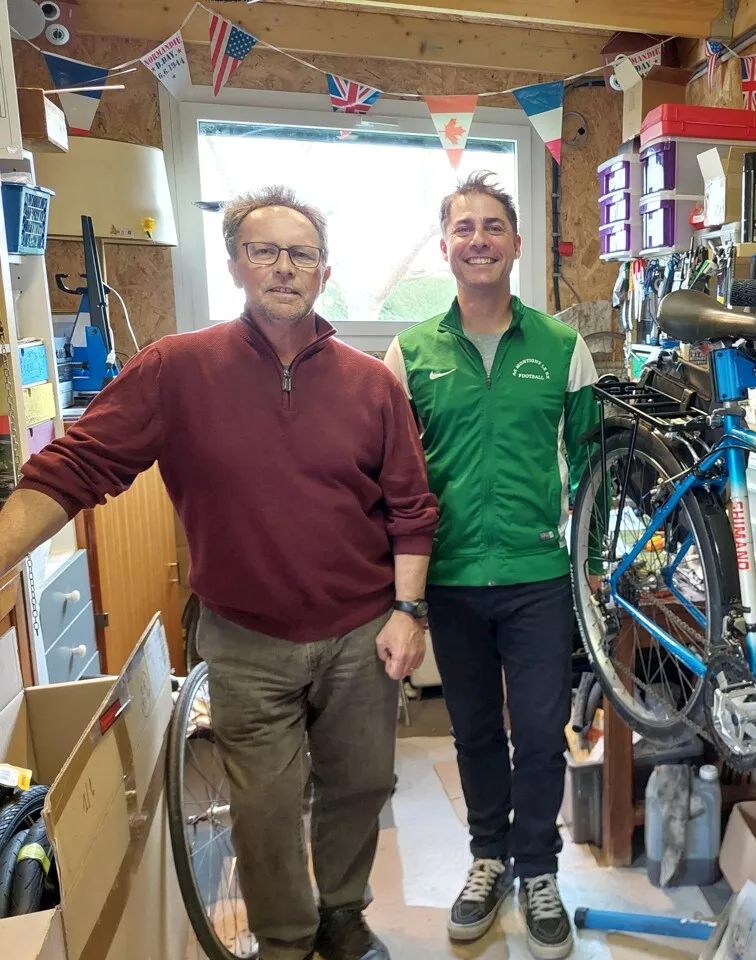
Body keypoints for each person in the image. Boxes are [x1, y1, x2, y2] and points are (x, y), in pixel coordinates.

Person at [0, 186, 439, 960]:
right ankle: (285, 938)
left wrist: (409, 612)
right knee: (264, 806)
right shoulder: (177, 368)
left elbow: (411, 507)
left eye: (301, 253)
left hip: (359, 630)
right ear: (236, 263)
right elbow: (74, 467)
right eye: (263, 250)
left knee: (362, 785)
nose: (283, 267)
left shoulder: (372, 384)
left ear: (324, 271)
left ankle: (342, 915)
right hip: (245, 637)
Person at [383, 171, 598, 959]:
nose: (478, 238)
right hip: (452, 579)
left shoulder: (561, 345)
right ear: (445, 247)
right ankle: (488, 860)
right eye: (463, 227)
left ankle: (538, 869)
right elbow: (395, 476)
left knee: (540, 733)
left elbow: (591, 461)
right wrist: (397, 589)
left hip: (538, 576)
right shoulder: (410, 353)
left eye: (493, 226)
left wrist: (592, 562)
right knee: (473, 731)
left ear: (515, 243)